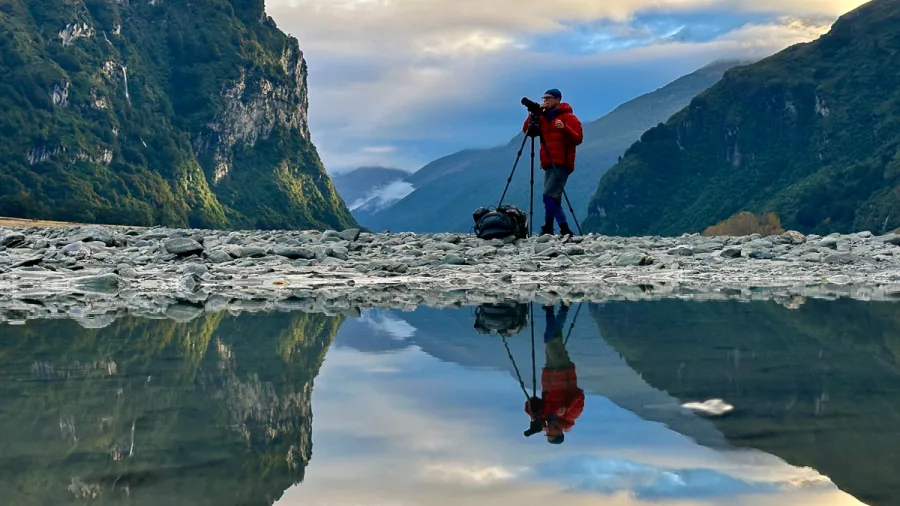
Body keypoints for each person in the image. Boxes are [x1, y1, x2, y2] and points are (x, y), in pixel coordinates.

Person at [522, 88, 584, 237]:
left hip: (562, 162)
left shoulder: (569, 117)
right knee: (553, 198)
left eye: (549, 98)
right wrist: (533, 114)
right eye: (544, 98)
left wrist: (565, 128)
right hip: (548, 162)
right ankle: (561, 229)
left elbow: (578, 138)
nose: (545, 101)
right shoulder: (542, 117)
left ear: (557, 100)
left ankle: (552, 228)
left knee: (548, 196)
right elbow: (528, 131)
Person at [524, 303, 585, 444]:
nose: (548, 431)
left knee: (555, 336)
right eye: (551, 434)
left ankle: (563, 307)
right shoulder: (571, 416)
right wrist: (566, 407)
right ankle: (551, 308)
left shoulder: (544, 416)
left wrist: (535, 417)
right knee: (550, 339)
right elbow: (579, 397)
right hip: (563, 372)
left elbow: (531, 402)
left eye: (547, 434)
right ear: (560, 432)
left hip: (549, 374)